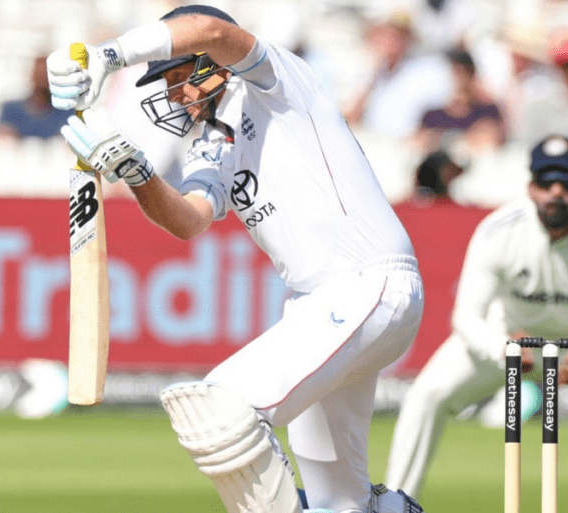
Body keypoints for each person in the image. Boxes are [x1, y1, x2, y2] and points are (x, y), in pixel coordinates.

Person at [47, 5, 425, 513]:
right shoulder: (211, 142)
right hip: (321, 306)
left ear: (211, 62)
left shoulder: (276, 84)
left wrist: (108, 55)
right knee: (341, 504)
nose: (174, 95)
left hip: (368, 285)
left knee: (221, 409)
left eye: (178, 78)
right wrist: (137, 172)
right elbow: (189, 220)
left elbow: (211, 29)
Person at [384, 134, 568, 498]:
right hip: (509, 344)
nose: (556, 192)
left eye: (567, 183)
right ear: (530, 187)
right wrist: (502, 349)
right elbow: (467, 317)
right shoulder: (498, 232)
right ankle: (396, 503)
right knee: (426, 395)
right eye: (546, 182)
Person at [342, 10, 452, 140]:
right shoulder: (364, 69)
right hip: (370, 142)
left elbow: (440, 119)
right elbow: (350, 119)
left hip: (405, 145)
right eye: (385, 36)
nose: (390, 43)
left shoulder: (429, 70)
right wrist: (372, 75)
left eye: (398, 37)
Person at [0, 55, 68, 139]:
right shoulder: (11, 110)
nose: (42, 78)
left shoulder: (65, 113)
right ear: (31, 74)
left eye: (46, 75)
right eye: (39, 74)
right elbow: (3, 140)